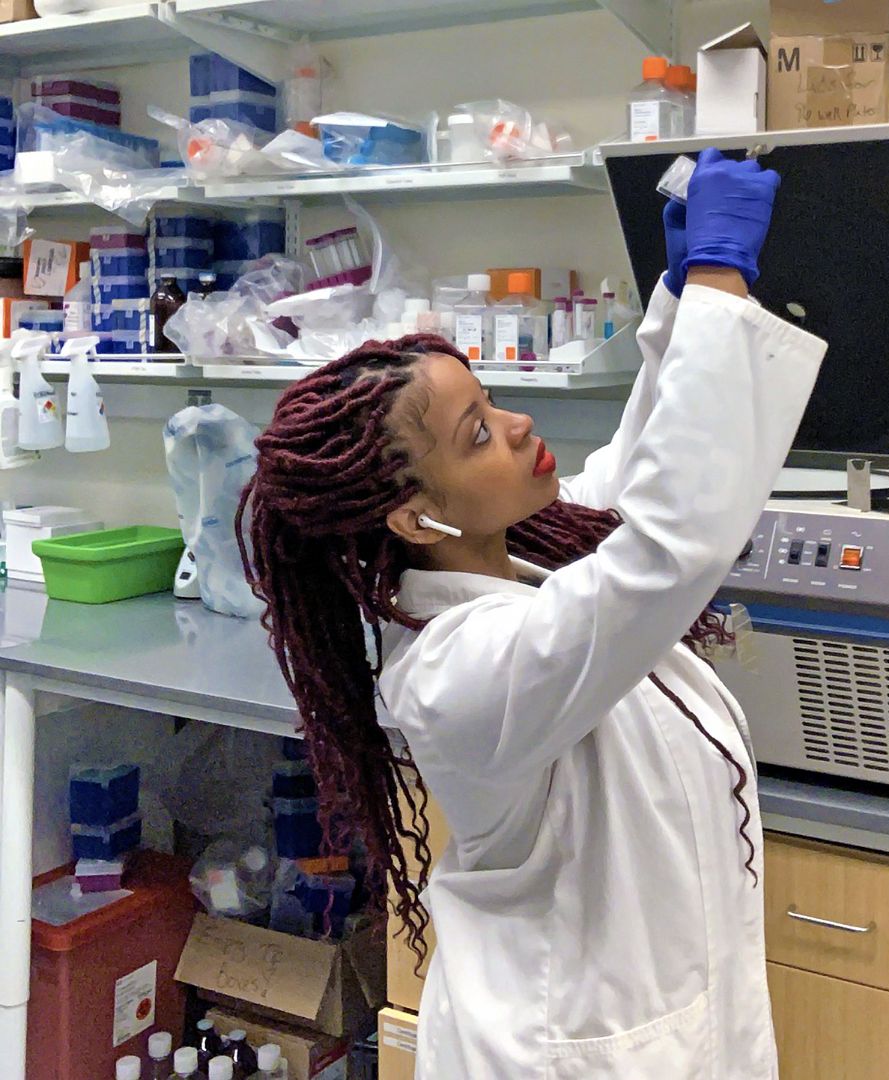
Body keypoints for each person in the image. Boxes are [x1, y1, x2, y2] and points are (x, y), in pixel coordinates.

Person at [239, 148, 826, 1078]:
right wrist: (720, 287)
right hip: (563, 1052)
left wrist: (676, 310)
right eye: (478, 433)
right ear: (415, 515)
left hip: (655, 1023)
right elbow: (663, 551)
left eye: (493, 402)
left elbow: (632, 493)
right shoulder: (458, 674)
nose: (514, 428)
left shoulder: (521, 566)